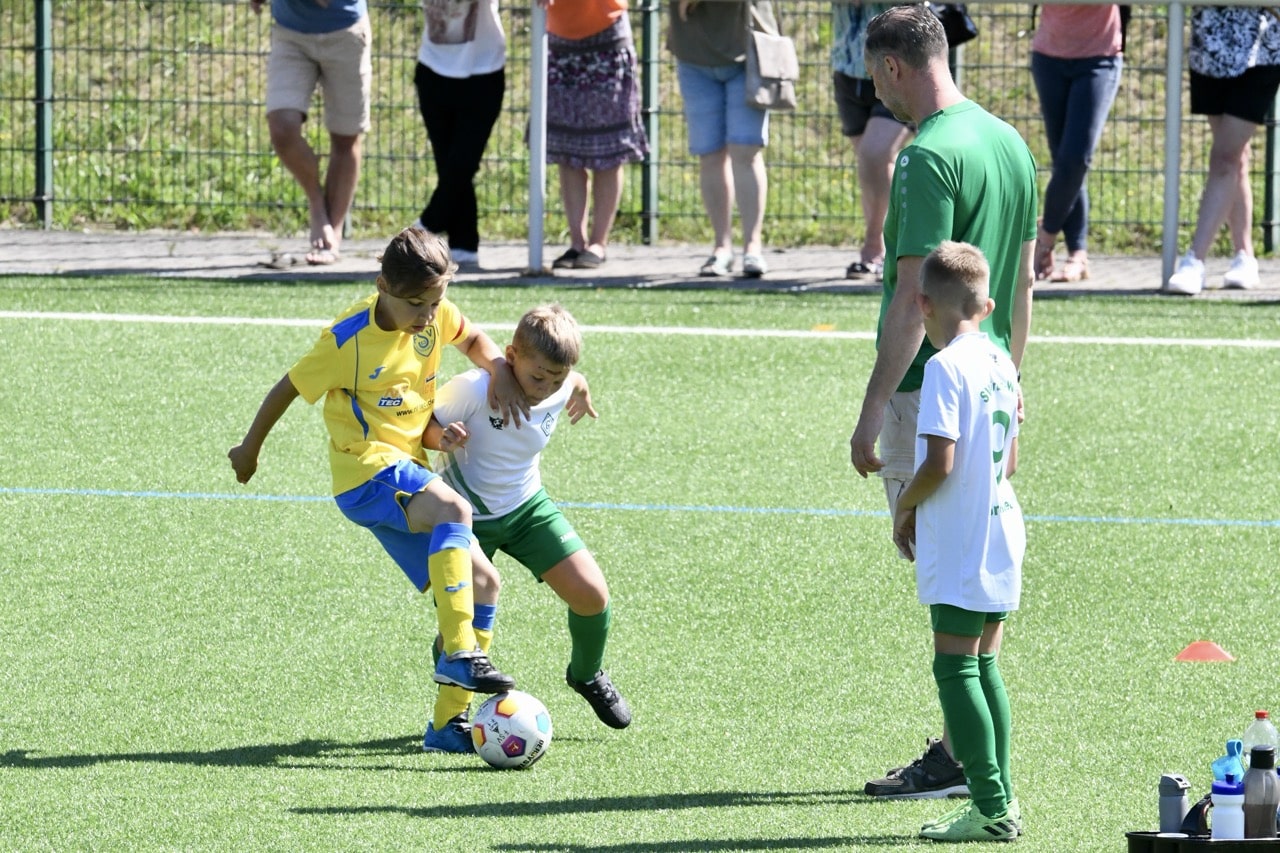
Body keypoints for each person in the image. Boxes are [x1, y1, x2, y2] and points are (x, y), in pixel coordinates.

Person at [227, 228, 527, 749]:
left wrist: (498, 365)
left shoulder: (434, 315)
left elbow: (473, 338)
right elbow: (287, 388)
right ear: (382, 284)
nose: (428, 317)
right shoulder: (346, 341)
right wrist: (249, 449)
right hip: (364, 473)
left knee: (486, 584)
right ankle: (460, 654)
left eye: (435, 302)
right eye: (416, 304)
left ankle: (447, 727)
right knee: (455, 508)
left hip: (406, 470)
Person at [847, 4, 1036, 810]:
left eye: (873, 75)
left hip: (933, 388)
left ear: (893, 66)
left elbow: (907, 299)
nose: (874, 92)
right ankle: (968, 748)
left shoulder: (924, 157)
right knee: (979, 573)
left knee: (942, 568)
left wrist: (871, 408)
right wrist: (1009, 381)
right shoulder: (1011, 142)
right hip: (993, 382)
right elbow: (1021, 283)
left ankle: (963, 762)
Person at [423, 303, 632, 743]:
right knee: (458, 637)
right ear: (512, 355)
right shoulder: (475, 388)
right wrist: (442, 438)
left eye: (555, 380)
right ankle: (450, 721)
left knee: (592, 596)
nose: (545, 389)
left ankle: (586, 674)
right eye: (538, 377)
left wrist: (577, 390)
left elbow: (574, 381)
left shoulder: (560, 382)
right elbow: (424, 426)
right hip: (465, 517)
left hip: (527, 508)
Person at [893, 240, 1024, 843]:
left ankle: (992, 807)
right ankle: (999, 799)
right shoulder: (1002, 361)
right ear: (988, 303)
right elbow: (1011, 460)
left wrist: (905, 503)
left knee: (954, 667)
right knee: (984, 663)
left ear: (923, 304)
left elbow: (940, 462)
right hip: (1001, 522)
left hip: (964, 530)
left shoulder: (944, 368)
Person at [1166, 5, 1280, 295]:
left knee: (1224, 157)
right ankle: (1245, 256)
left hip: (1261, 52)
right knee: (1234, 158)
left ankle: (1195, 260)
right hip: (1210, 47)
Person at [249, 0, 371, 266]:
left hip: (345, 31)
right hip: (289, 34)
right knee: (282, 128)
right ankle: (317, 206)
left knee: (345, 136)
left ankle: (333, 233)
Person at [667, 0, 777, 279]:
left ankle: (752, 247)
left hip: (748, 50)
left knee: (746, 150)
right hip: (692, 53)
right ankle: (721, 248)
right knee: (710, 154)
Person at [543, 0, 650, 271]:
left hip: (607, 36)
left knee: (609, 150)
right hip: (559, 39)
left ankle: (598, 243)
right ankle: (577, 242)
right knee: (567, 151)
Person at [1030, 4, 1124, 283]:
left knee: (1075, 158)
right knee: (1065, 161)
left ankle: (1044, 238)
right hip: (1048, 56)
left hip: (1099, 57)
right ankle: (1077, 254)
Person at [411, 0, 507, 268]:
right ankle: (464, 246)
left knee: (463, 162)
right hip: (432, 70)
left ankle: (427, 225)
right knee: (449, 165)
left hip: (484, 72)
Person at [831, 0, 914, 281]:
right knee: (870, 167)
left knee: (875, 155)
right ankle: (889, 250)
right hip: (847, 65)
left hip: (898, 66)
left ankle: (876, 249)